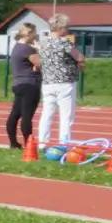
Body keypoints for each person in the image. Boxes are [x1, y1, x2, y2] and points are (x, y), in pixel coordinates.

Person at [34, 14, 84, 149]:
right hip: (65, 82)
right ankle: (64, 144)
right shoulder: (65, 43)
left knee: (47, 114)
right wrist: (79, 62)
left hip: (48, 82)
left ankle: (42, 143)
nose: (67, 30)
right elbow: (79, 57)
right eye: (66, 27)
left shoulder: (43, 43)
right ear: (60, 28)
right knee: (66, 117)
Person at [5, 24, 40, 149]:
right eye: (34, 33)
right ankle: (29, 145)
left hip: (18, 83)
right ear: (28, 34)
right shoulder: (27, 49)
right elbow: (41, 63)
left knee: (15, 114)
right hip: (30, 84)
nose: (35, 36)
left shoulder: (16, 48)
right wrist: (39, 49)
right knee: (26, 116)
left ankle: (13, 142)